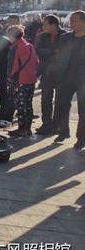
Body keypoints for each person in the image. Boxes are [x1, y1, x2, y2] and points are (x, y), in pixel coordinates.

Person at [51, 10, 85, 148]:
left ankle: (81, 138)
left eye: (74, 20)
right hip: (65, 77)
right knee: (61, 105)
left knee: (83, 110)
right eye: (71, 20)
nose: (71, 23)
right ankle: (64, 131)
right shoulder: (66, 37)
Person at [35, 15, 65, 135]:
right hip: (47, 72)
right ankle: (46, 124)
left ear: (54, 25)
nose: (43, 27)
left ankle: (57, 125)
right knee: (45, 99)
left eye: (45, 24)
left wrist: (50, 53)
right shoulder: (43, 36)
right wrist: (53, 51)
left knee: (60, 100)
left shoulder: (66, 35)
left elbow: (65, 53)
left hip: (61, 73)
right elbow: (39, 51)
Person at [6, 25, 39, 137]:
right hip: (30, 79)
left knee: (20, 105)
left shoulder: (16, 48)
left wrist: (10, 78)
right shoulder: (29, 46)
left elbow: (13, 66)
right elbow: (36, 62)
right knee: (28, 105)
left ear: (12, 36)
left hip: (19, 80)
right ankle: (27, 129)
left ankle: (22, 129)